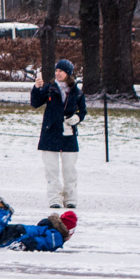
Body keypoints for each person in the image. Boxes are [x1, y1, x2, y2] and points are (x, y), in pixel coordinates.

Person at [31, 58, 86, 209]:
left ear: (68, 73)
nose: (58, 73)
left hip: (68, 134)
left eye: (61, 71)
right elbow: (35, 103)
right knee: (51, 169)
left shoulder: (76, 91)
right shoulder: (49, 88)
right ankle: (54, 199)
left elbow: (83, 110)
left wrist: (77, 118)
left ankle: (70, 198)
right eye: (56, 70)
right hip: (50, 133)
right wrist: (36, 88)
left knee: (69, 169)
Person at [0, 195, 76, 251]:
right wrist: (24, 244)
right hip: (17, 235)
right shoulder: (57, 237)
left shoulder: (49, 230)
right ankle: (3, 210)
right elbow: (42, 242)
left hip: (17, 232)